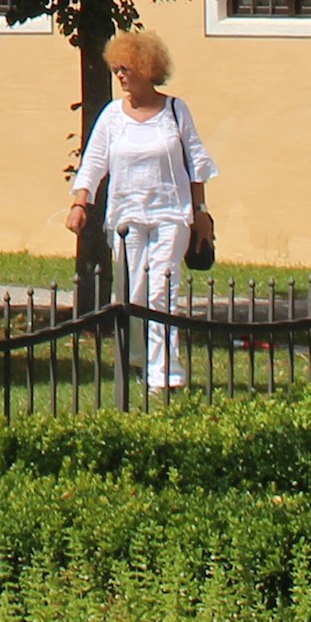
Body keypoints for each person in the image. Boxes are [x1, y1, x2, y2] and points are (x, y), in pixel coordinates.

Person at [65, 27, 215, 392]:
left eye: (126, 69)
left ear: (147, 69)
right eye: (116, 69)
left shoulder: (176, 111)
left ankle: (166, 374)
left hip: (171, 214)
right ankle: (139, 358)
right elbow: (94, 162)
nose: (120, 76)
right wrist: (79, 202)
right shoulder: (113, 116)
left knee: (163, 290)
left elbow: (196, 163)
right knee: (133, 292)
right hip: (127, 217)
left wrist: (201, 211)